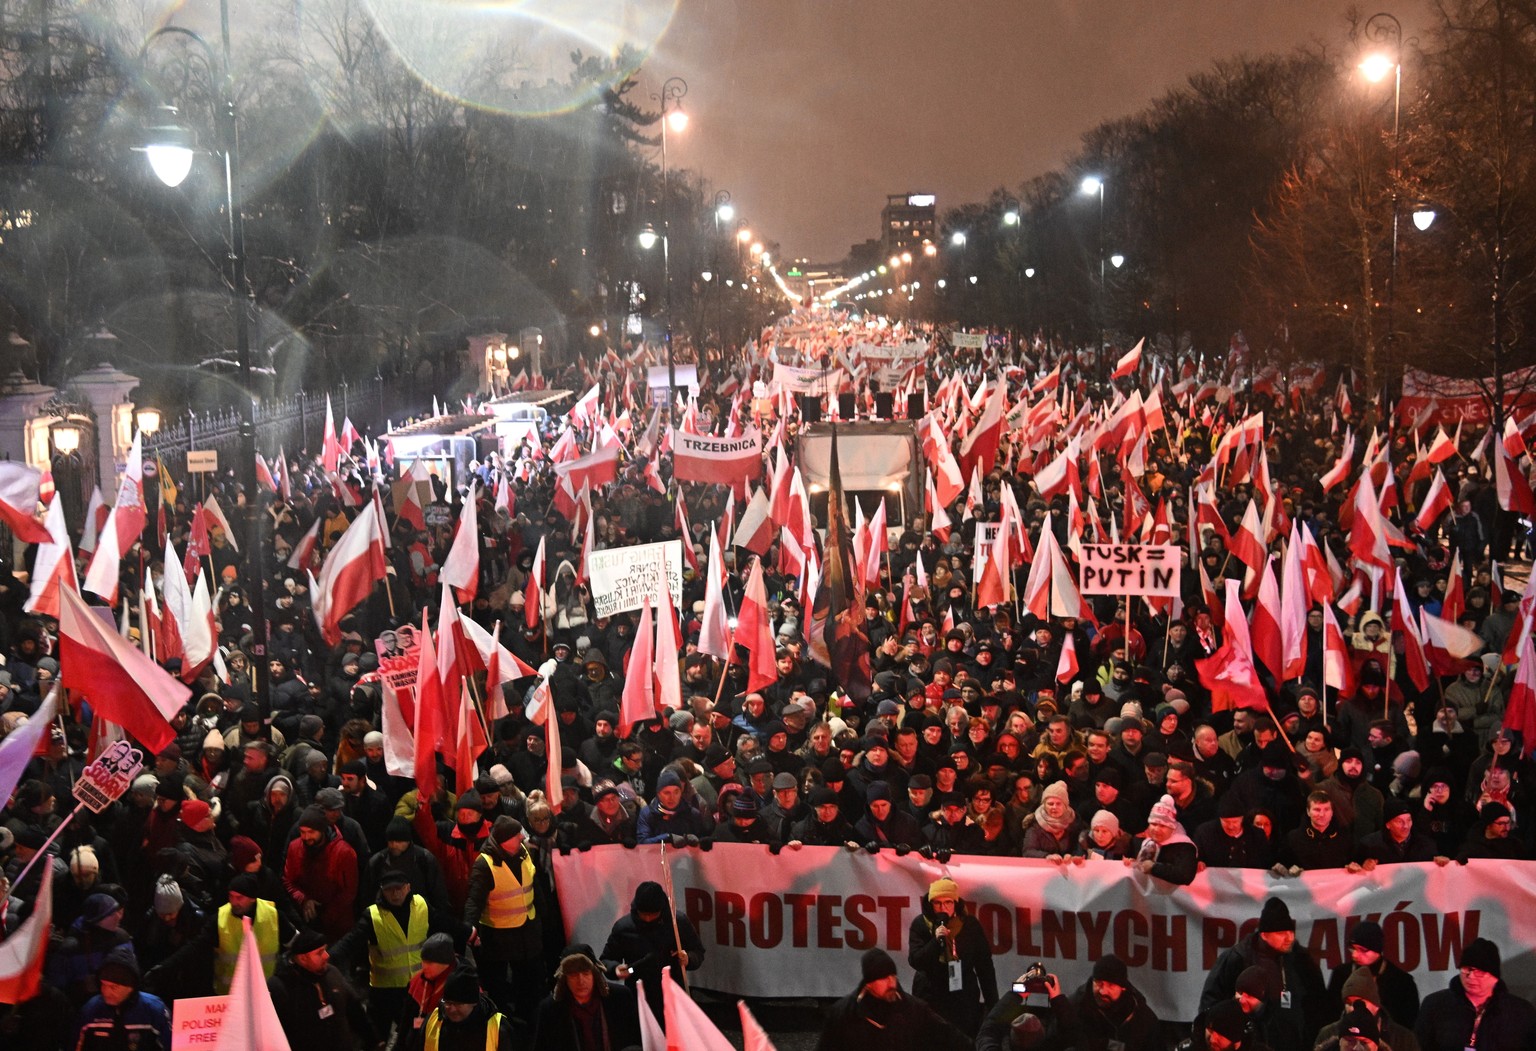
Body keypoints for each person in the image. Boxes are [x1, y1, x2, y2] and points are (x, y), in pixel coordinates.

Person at [1200, 897, 1327, 1051]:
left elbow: (1319, 1004)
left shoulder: (1301, 961)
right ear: (1264, 934)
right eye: (1281, 933)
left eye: (1291, 931)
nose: (1289, 938)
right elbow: (1211, 1004)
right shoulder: (1236, 958)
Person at [463, 816, 544, 1022]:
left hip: (527, 929)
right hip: (498, 935)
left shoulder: (523, 852)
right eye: (517, 834)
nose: (521, 837)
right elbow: (474, 900)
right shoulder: (485, 864)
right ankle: (503, 1022)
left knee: (529, 981)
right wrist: (469, 928)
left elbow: (534, 886)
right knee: (498, 984)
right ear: (504, 840)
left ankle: (529, 1017)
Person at [815, 948, 970, 1051]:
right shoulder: (843, 1014)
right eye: (883, 978)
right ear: (869, 984)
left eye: (892, 976)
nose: (891, 983)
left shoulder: (914, 1010)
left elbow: (950, 1036)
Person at [600, 880, 704, 1020]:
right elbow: (605, 960)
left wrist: (688, 958)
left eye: (653, 914)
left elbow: (698, 951)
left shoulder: (677, 922)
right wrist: (615, 969)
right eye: (644, 914)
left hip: (674, 994)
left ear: (661, 909)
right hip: (638, 995)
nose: (648, 919)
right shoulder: (623, 928)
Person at [906, 877, 996, 1034]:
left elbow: (984, 966)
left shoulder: (970, 925)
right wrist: (936, 941)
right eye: (937, 903)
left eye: (948, 902)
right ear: (930, 903)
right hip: (930, 995)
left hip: (963, 998)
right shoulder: (920, 924)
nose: (943, 908)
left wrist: (993, 1005)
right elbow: (916, 960)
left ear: (956, 903)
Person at [1415, 938, 1536, 1051]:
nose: (1471, 976)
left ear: (1494, 976)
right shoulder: (1436, 1005)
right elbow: (1419, 1046)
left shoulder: (1520, 1012)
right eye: (1466, 969)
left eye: (1479, 972)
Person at [267, 929, 377, 1051]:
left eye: (325, 949)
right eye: (319, 953)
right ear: (303, 958)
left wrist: (373, 1039)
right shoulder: (280, 988)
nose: (326, 956)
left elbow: (354, 1009)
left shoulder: (332, 973)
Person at [531, 944, 641, 1051]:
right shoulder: (550, 1009)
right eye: (573, 975)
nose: (581, 981)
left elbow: (636, 1040)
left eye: (586, 973)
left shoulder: (619, 998)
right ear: (564, 978)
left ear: (595, 974)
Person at [1324, 920, 1420, 1027]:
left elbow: (1410, 1023)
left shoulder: (1401, 981)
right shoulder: (1341, 975)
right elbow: (1329, 1015)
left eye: (1363, 950)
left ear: (1378, 950)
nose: (1355, 954)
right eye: (1352, 949)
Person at [1055, 953, 1159, 1051]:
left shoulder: (1142, 1016)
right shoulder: (1074, 1008)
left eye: (1111, 985)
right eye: (1099, 983)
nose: (1102, 991)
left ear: (1123, 988)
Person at [72, 953, 173, 1051]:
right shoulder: (91, 1009)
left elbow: (172, 1045)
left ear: (130, 987)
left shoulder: (154, 1009)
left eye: (114, 987)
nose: (106, 992)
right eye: (103, 985)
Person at [421, 966, 513, 1051]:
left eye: (458, 1004)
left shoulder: (498, 1030)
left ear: (473, 1003)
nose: (451, 1009)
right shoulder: (432, 1021)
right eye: (448, 1003)